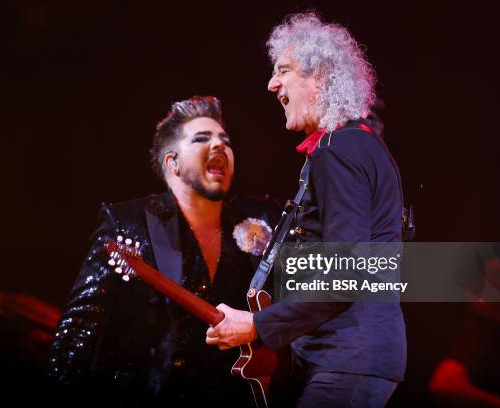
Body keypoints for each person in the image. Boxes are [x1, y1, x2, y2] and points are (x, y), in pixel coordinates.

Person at [205, 13, 407, 407]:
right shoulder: (356, 146)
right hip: (351, 356)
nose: (271, 83)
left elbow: (347, 271)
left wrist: (257, 326)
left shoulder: (340, 149)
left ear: (321, 78)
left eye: (284, 71)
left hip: (345, 357)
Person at [47, 96, 279, 406]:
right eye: (202, 139)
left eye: (225, 140)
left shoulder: (261, 219)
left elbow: (328, 285)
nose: (220, 146)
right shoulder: (128, 223)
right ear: (172, 163)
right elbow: (77, 332)